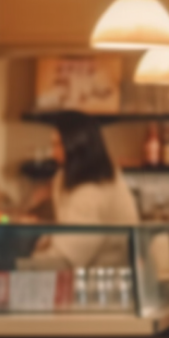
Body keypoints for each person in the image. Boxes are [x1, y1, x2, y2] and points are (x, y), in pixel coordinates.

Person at [31, 111, 140, 268]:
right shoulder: (75, 178)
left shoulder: (90, 192)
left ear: (76, 145)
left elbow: (66, 258)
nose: (53, 153)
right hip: (98, 277)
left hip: (105, 281)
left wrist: (19, 266)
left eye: (57, 145)